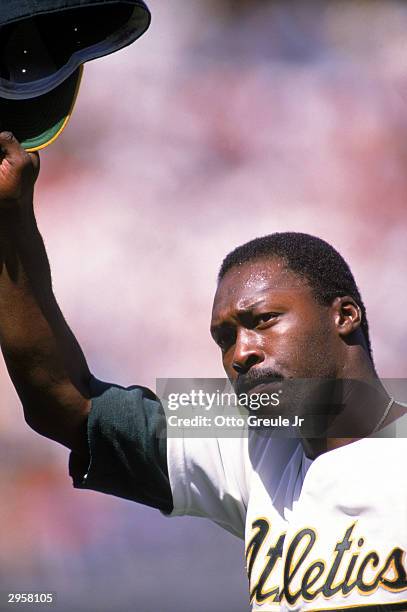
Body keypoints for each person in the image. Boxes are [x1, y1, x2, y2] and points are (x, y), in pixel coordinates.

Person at [0, 131, 406, 611]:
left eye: (264, 321)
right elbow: (65, 402)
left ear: (345, 316)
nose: (242, 352)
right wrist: (10, 212)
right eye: (225, 337)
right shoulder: (254, 443)